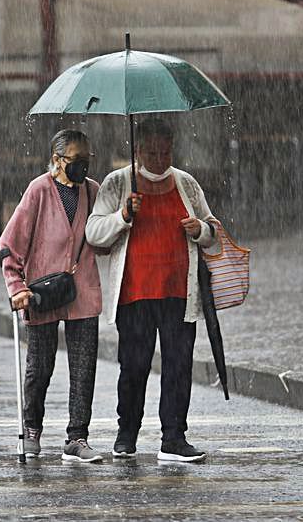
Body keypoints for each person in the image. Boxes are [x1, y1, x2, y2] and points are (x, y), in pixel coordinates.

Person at [85, 118, 216, 463]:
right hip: (135, 294)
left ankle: (174, 437)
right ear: (137, 151)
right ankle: (126, 434)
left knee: (178, 364)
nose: (160, 159)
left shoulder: (186, 183)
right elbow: (93, 233)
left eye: (166, 152)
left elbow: (213, 229)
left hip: (178, 293)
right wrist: (123, 215)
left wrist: (199, 228)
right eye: (152, 152)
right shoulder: (117, 183)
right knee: (134, 366)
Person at [0, 129, 104, 463]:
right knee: (40, 367)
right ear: (58, 160)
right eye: (76, 159)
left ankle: (77, 437)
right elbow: (10, 244)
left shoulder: (93, 190)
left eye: (87, 158)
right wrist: (16, 287)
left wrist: (125, 216)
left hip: (82, 290)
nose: (83, 165)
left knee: (84, 368)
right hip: (41, 292)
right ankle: (32, 429)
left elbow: (102, 238)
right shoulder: (39, 190)